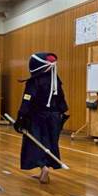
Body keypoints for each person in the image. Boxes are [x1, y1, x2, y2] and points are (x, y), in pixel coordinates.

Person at [14, 52, 69, 184]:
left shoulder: (35, 81)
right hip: (54, 117)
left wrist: (21, 117)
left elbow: (27, 99)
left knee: (35, 143)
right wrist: (61, 114)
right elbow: (61, 99)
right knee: (49, 143)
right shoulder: (56, 80)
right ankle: (45, 169)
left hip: (37, 117)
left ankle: (43, 168)